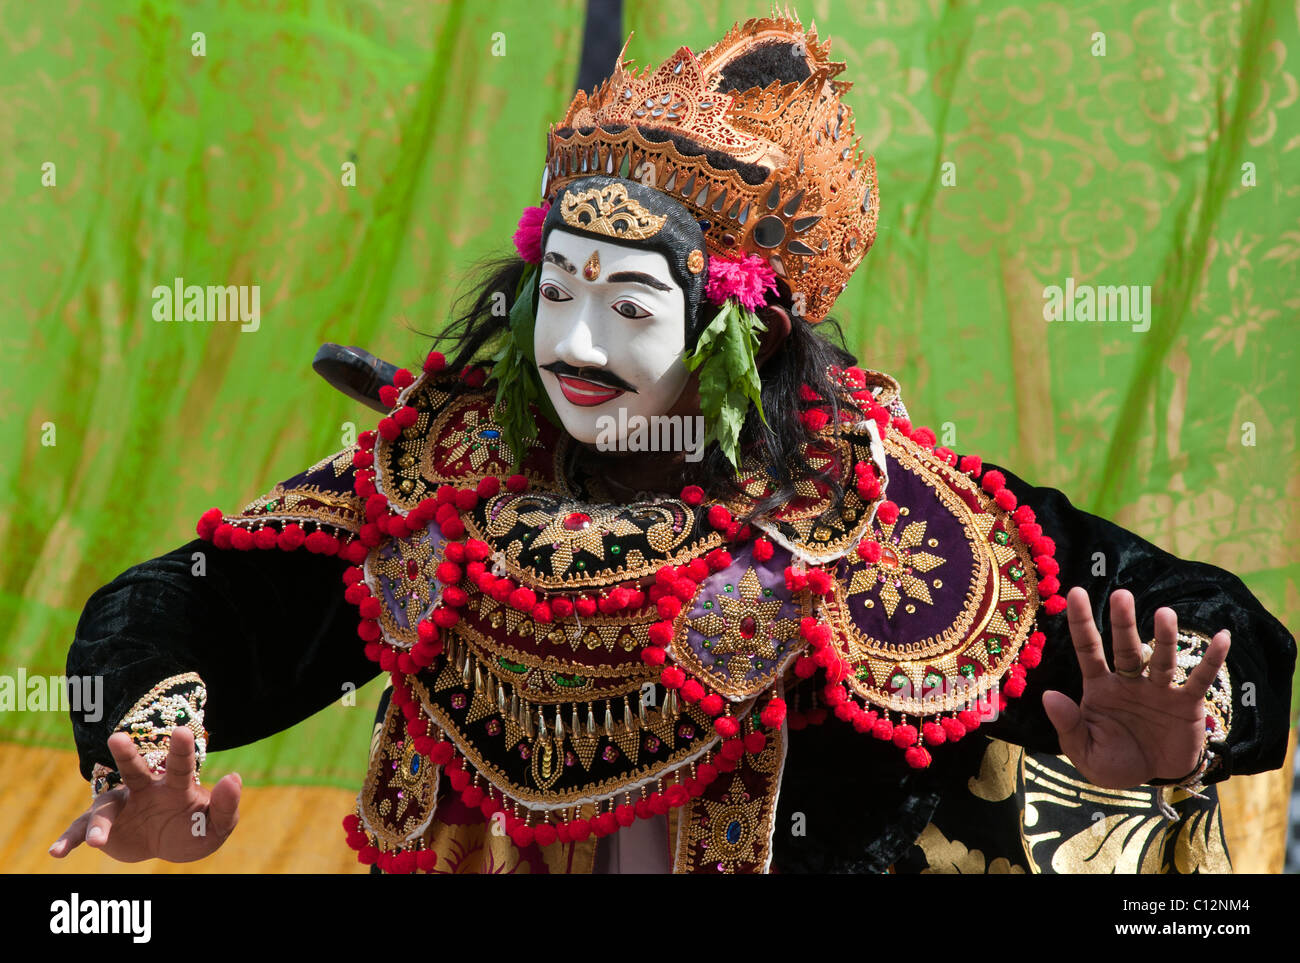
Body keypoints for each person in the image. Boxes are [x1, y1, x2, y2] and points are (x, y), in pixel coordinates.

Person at [52, 11, 1294, 874]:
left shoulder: (870, 515)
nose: (577, 342)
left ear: (730, 337)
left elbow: (1191, 622)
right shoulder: (442, 479)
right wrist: (145, 753)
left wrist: (1188, 724)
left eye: (629, 306)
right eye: (560, 290)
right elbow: (184, 606)